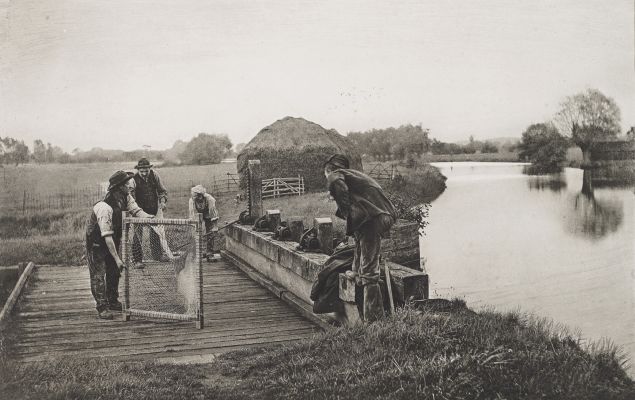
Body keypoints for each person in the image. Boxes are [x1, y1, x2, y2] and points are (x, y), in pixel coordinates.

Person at [324, 154, 397, 322]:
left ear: (328, 170)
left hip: (374, 218)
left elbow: (336, 184)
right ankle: (357, 271)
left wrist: (346, 209)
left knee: (370, 269)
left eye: (325, 175)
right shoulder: (354, 176)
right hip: (375, 216)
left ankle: (374, 320)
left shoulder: (335, 175)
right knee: (359, 243)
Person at [85, 170, 154, 320]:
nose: (130, 185)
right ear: (119, 186)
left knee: (114, 270)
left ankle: (113, 301)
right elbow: (106, 236)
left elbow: (136, 211)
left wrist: (150, 218)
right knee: (99, 274)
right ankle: (102, 307)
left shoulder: (126, 197)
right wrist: (117, 258)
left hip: (112, 237)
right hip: (97, 241)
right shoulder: (104, 208)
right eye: (126, 183)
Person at [130, 158, 168, 263]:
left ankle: (157, 256)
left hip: (153, 210)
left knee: (155, 232)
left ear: (149, 169)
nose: (144, 173)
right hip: (138, 211)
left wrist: (163, 201)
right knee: (138, 234)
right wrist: (135, 211)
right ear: (138, 170)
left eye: (146, 171)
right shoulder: (133, 179)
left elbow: (162, 191)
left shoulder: (155, 175)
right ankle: (137, 260)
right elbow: (131, 197)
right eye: (141, 171)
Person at [189, 185, 219, 254]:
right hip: (198, 214)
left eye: (196, 196)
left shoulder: (210, 199)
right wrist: (194, 227)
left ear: (200, 195)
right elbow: (192, 214)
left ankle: (209, 251)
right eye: (193, 196)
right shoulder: (192, 200)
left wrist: (214, 227)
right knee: (198, 232)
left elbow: (213, 213)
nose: (194, 197)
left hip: (208, 214)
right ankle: (199, 252)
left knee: (210, 232)